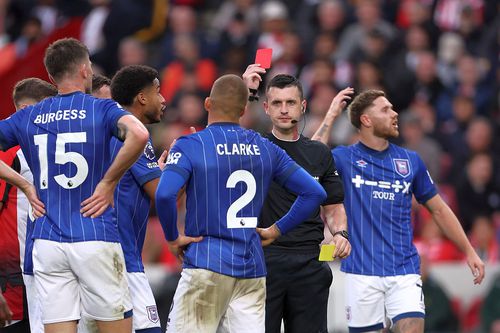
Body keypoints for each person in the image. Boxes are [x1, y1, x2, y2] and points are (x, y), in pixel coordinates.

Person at [155, 74, 327, 333]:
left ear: (207, 104)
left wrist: (172, 237)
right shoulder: (265, 147)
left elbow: (164, 194)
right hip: (252, 267)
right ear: (244, 109)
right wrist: (276, 229)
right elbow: (314, 193)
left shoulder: (190, 145)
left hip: (207, 261)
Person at [0, 37, 149, 333]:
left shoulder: (28, 115)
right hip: (93, 233)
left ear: (51, 76)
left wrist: (25, 186)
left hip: (46, 240)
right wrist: (108, 183)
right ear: (84, 69)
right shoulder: (100, 109)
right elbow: (140, 134)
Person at [315, 89, 485, 332]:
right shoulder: (344, 158)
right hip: (361, 272)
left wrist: (468, 250)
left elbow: (438, 209)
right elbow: (309, 161)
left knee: (413, 328)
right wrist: (331, 115)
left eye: (393, 108)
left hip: (403, 269)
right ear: (366, 119)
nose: (395, 113)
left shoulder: (410, 161)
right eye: (385, 109)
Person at [242, 65, 353, 333]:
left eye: (290, 102)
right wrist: (246, 91)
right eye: (277, 103)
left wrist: (340, 234)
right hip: (263, 260)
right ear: (266, 108)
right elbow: (227, 125)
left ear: (302, 106)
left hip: (309, 262)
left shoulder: (319, 153)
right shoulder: (251, 146)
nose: (284, 109)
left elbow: (334, 207)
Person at [108, 65, 165, 333]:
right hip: (123, 260)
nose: (163, 99)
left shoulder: (104, 130)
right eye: (158, 91)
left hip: (95, 252)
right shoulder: (136, 134)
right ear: (142, 97)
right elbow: (163, 194)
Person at [0, 78, 57, 333]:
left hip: (46, 276)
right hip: (12, 286)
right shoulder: (9, 155)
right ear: (25, 112)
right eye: (48, 112)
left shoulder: (49, 148)